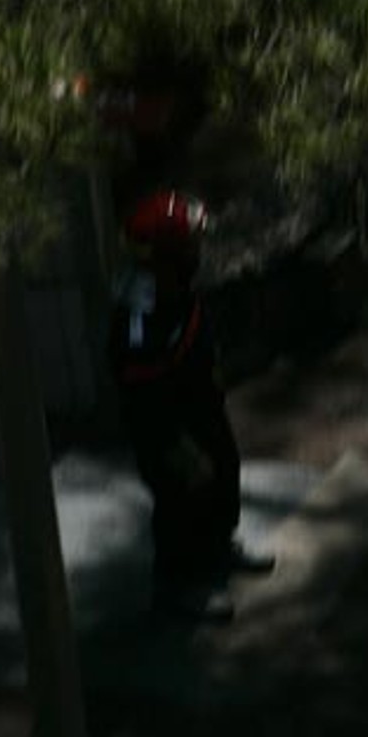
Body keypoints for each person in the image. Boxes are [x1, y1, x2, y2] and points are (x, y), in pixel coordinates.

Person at [108, 190, 272, 622]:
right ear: (167, 252)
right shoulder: (140, 313)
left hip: (201, 408)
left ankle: (218, 548)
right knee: (180, 499)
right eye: (189, 243)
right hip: (165, 424)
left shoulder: (176, 286)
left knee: (223, 469)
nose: (198, 250)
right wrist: (173, 441)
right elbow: (142, 386)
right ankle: (178, 588)